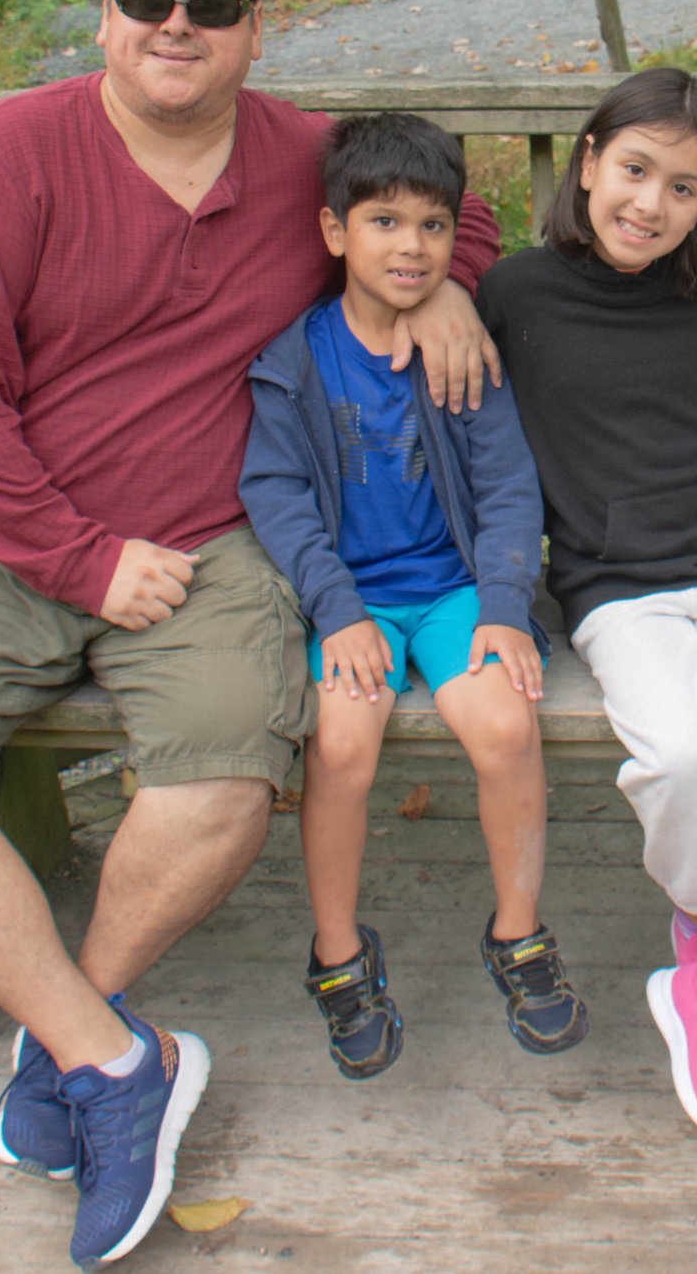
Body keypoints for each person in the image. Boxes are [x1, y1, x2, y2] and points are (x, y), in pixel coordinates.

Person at [0, 0, 503, 1269]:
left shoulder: (302, 158)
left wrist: (453, 284)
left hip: (216, 536)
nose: (175, 26)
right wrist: (69, 553)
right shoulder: (17, 148)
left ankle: (72, 1039)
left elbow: (441, 223)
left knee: (225, 780)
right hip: (5, 540)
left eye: (211, 4)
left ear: (256, 24)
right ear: (105, 11)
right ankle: (114, 1060)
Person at [477, 67, 697, 1145]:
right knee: (681, 756)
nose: (650, 204)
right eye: (633, 170)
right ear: (587, 161)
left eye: (685, 186)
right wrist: (440, 294)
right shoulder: (518, 293)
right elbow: (421, 262)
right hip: (615, 582)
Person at [240, 112, 587, 1078]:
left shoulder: (461, 355)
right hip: (352, 602)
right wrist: (337, 608)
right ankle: (337, 951)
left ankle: (517, 933)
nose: (412, 247)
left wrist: (507, 609)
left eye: (434, 226)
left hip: (454, 592)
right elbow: (275, 494)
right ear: (334, 232)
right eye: (385, 222)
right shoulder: (296, 364)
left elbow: (512, 488)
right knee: (343, 742)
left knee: (506, 727)